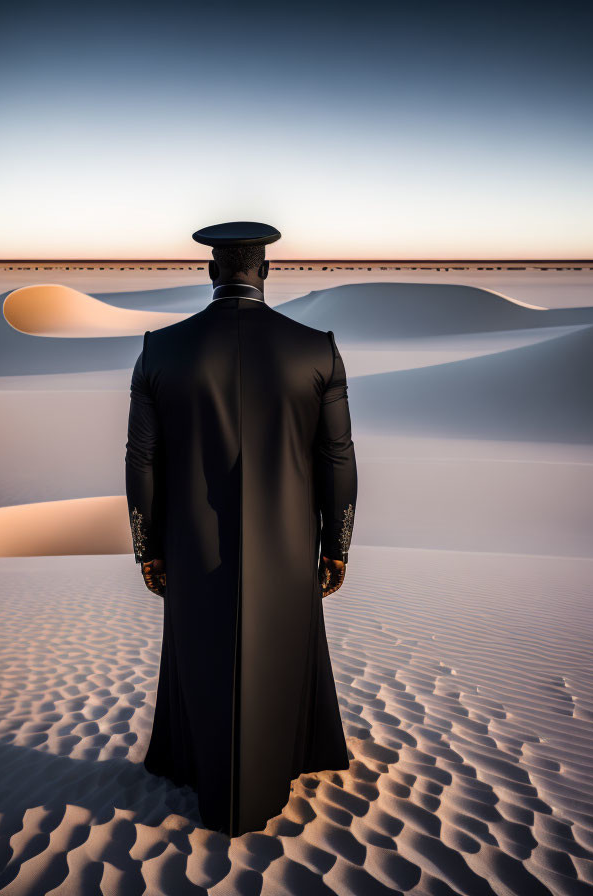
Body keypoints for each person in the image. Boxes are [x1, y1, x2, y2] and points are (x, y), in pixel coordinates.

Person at [125, 220, 358, 836]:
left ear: (210, 271)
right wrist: (336, 546)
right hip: (287, 542)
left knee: (196, 649)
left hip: (189, 541)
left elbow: (141, 459)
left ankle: (189, 762)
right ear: (266, 270)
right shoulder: (318, 348)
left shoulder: (159, 349)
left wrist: (146, 548)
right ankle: (293, 759)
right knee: (285, 646)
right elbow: (337, 455)